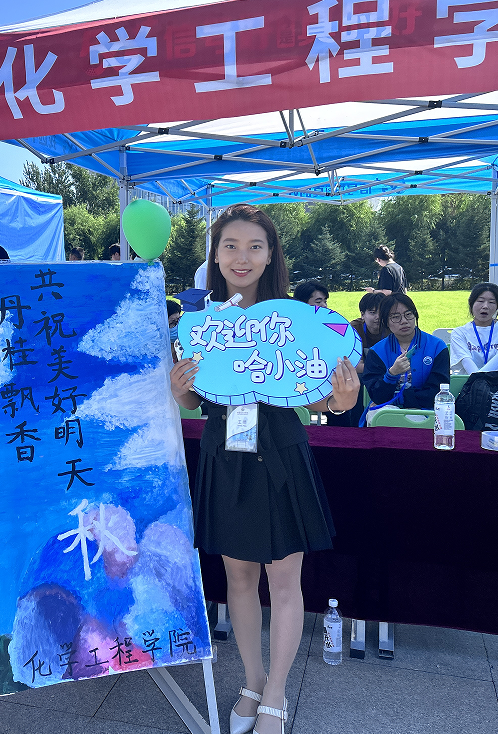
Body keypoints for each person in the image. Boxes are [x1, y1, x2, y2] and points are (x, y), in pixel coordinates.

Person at [168, 204, 359, 734]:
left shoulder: (298, 323)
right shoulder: (197, 323)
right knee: (239, 576)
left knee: (284, 579)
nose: (242, 256)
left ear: (271, 255)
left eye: (255, 246)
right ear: (215, 255)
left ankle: (276, 692)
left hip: (280, 453)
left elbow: (322, 394)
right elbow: (193, 399)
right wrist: (179, 389)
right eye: (230, 245)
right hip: (225, 454)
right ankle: (252, 680)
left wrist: (341, 400)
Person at [363, 293, 449, 410]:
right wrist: (392, 374)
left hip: (427, 411)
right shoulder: (376, 352)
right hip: (386, 412)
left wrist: (400, 399)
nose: (404, 321)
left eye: (408, 314)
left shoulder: (437, 347)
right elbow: (377, 396)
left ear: (415, 315)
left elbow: (436, 392)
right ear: (386, 322)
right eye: (395, 317)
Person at [325, 292, 387, 427]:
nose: (378, 317)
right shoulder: (353, 330)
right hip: (366, 374)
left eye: (381, 312)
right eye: (372, 312)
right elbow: (353, 365)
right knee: (356, 381)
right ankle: (355, 426)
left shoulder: (391, 329)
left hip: (388, 375)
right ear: (362, 314)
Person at [450, 283, 498, 383]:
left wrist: (480, 380)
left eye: (491, 302)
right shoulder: (459, 333)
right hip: (469, 387)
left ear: (497, 306)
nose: (485, 306)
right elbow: (466, 361)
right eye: (480, 301)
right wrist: (480, 384)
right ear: (471, 303)